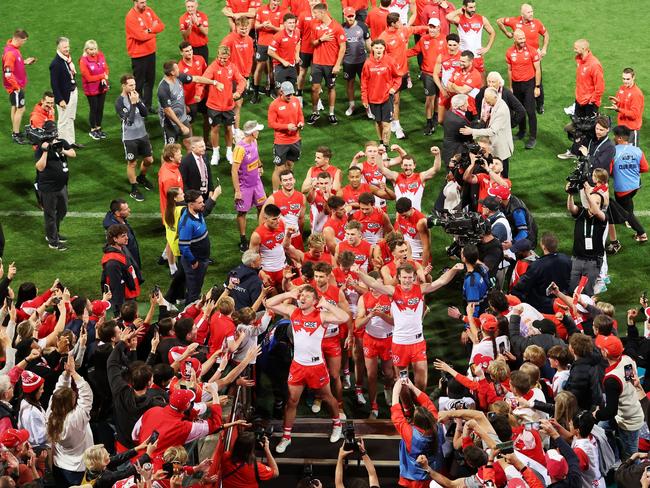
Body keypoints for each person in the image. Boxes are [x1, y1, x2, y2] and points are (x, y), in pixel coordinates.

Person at [265, 285, 350, 453]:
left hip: (316, 366)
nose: (302, 298)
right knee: (291, 401)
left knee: (327, 397)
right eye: (301, 295)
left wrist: (327, 304)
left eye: (307, 296)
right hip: (297, 365)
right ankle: (286, 437)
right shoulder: (292, 311)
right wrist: (289, 293)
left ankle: (337, 425)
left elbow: (344, 317)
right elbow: (269, 302)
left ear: (315, 301)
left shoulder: (322, 315)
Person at [357, 263, 463, 390]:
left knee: (422, 382)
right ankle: (407, 409)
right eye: (404, 277)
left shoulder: (421, 289)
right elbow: (373, 284)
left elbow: (441, 281)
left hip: (417, 342)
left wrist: (453, 269)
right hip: (399, 343)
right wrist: (358, 273)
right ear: (399, 278)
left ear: (413, 278)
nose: (407, 281)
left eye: (410, 277)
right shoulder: (392, 290)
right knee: (402, 382)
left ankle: (418, 406)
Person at [46, 354, 94, 486]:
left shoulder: (51, 412)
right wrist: (73, 372)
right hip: (77, 469)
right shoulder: (74, 419)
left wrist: (66, 374)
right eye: (73, 397)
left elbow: (59, 390)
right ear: (68, 403)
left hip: (59, 465)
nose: (75, 397)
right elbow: (86, 394)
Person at [378, 14, 427, 140]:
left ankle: (393, 121)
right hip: (392, 74)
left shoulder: (402, 30)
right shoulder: (383, 38)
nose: (401, 22)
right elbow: (378, 56)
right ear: (392, 23)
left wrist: (428, 28)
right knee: (395, 99)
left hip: (403, 72)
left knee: (396, 100)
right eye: (398, 21)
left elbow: (414, 29)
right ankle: (397, 125)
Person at [596, 335, 644, 461]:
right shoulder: (626, 359)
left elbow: (611, 411)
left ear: (605, 353)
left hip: (628, 420)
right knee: (601, 428)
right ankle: (614, 453)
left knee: (632, 457)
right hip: (628, 411)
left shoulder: (612, 379)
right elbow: (628, 380)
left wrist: (595, 415)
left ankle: (638, 478)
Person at [198, 46, 246, 165]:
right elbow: (202, 81)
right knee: (215, 128)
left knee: (229, 128)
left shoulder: (232, 67)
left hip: (228, 105)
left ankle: (229, 151)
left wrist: (238, 92)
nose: (222, 60)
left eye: (225, 58)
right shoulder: (213, 67)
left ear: (228, 57)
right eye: (220, 58)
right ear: (217, 56)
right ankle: (216, 153)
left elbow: (242, 80)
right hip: (214, 105)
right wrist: (198, 94)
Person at [496, 3, 549, 113]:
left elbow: (546, 34)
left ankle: (540, 104)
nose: (531, 14)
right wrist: (507, 33)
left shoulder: (537, 23)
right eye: (529, 12)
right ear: (522, 14)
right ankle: (520, 105)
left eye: (532, 11)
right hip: (520, 56)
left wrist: (544, 49)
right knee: (520, 81)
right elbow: (499, 21)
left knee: (538, 81)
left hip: (534, 57)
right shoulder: (514, 21)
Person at [557, 39, 604, 159]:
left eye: (576, 48)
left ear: (584, 49)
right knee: (578, 128)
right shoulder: (580, 60)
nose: (574, 50)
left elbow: (600, 87)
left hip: (589, 104)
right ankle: (575, 152)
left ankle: (592, 153)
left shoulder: (594, 64)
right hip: (580, 100)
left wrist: (591, 101)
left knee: (590, 129)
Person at [34, 120, 76, 251]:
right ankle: (53, 241)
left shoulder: (61, 142)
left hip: (61, 186)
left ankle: (54, 233)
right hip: (48, 189)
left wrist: (62, 150)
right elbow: (40, 167)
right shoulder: (41, 147)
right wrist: (46, 151)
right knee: (50, 215)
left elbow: (73, 154)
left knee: (62, 211)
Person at [157, 60, 215, 150]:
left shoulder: (179, 77)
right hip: (169, 123)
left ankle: (190, 162)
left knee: (190, 143)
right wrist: (181, 126)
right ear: (172, 72)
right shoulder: (163, 88)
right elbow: (167, 110)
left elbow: (196, 78)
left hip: (182, 117)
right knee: (169, 150)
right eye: (176, 68)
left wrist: (214, 82)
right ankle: (166, 164)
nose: (179, 69)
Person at [178, 188, 222, 303]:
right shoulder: (187, 223)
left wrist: (214, 196)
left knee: (196, 286)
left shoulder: (198, 212)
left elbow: (206, 208)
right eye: (200, 202)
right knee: (194, 290)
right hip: (195, 262)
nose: (203, 204)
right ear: (191, 204)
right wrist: (193, 261)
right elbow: (183, 247)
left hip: (202, 258)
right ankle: (190, 313)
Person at [115, 74, 154, 202]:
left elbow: (145, 113)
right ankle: (134, 188)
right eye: (130, 85)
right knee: (132, 163)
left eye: (134, 84)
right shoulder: (119, 102)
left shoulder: (135, 95)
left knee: (149, 160)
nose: (133, 87)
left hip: (142, 134)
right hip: (130, 137)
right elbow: (129, 121)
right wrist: (133, 104)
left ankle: (141, 177)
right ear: (124, 86)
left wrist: (138, 102)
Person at [511, 232, 571, 313]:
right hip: (563, 300)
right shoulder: (566, 259)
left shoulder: (537, 265)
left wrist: (512, 292)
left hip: (542, 305)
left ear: (543, 246)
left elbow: (523, 285)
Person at [307, 3, 347, 125]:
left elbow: (343, 47)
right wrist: (321, 39)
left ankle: (331, 113)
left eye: (316, 13)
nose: (314, 15)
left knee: (331, 87)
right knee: (314, 88)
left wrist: (337, 64)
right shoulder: (314, 24)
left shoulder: (337, 27)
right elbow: (312, 43)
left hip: (330, 64)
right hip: (317, 63)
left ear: (323, 13)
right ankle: (315, 112)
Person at [460, 88, 514, 176]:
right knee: (495, 169)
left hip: (500, 146)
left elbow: (492, 131)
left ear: (495, 97)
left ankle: (505, 187)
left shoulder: (501, 111)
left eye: (488, 100)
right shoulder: (497, 104)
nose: (486, 102)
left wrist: (472, 131)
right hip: (496, 143)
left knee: (501, 171)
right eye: (485, 99)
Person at [407, 18, 446, 135]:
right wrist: (398, 55)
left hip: (442, 74)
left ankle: (436, 116)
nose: (432, 29)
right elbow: (414, 51)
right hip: (428, 74)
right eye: (430, 27)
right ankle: (429, 123)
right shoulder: (424, 39)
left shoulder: (445, 40)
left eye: (434, 27)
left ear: (439, 27)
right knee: (429, 98)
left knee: (439, 98)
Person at [567, 182, 607, 296]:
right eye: (593, 201)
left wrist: (588, 194)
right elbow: (571, 208)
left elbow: (596, 210)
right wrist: (570, 194)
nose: (594, 204)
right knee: (572, 290)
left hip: (593, 261)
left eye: (598, 203)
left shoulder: (603, 218)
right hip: (577, 259)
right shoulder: (581, 212)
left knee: (588, 292)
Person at [232, 121, 267, 252]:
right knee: (242, 212)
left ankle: (261, 233)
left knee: (262, 207)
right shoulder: (240, 149)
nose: (258, 132)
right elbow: (234, 170)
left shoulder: (254, 142)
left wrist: (260, 165)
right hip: (244, 185)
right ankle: (243, 239)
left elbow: (256, 156)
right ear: (252, 132)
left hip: (256, 182)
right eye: (257, 130)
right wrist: (237, 191)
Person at [610, 124, 648, 243]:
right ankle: (628, 219)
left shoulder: (613, 151)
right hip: (635, 186)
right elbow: (645, 168)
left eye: (615, 136)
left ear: (620, 138)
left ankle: (642, 234)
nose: (614, 138)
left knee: (626, 213)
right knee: (627, 206)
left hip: (622, 188)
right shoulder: (637, 150)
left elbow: (609, 171)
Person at [125, 0, 165, 112]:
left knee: (150, 80)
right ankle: (138, 108)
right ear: (135, 2)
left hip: (151, 52)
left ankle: (147, 106)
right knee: (138, 84)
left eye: (145, 1)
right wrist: (153, 31)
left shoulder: (148, 10)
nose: (145, 4)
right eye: (142, 2)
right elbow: (140, 36)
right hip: (138, 55)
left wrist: (149, 30)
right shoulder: (131, 17)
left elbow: (161, 26)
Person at [360, 39, 401, 146]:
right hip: (373, 99)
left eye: (381, 48)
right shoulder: (368, 64)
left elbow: (398, 76)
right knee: (378, 122)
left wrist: (394, 88)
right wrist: (364, 98)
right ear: (372, 48)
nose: (379, 50)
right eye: (376, 48)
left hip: (387, 98)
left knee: (386, 124)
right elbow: (364, 82)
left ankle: (385, 146)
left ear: (384, 49)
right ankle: (381, 143)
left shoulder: (390, 61)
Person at [505, 29, 540, 150]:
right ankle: (521, 132)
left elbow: (538, 69)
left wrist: (537, 86)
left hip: (529, 84)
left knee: (530, 111)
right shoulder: (509, 52)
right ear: (514, 39)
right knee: (519, 110)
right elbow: (509, 70)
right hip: (516, 84)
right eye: (520, 39)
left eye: (524, 38)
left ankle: (533, 137)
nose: (523, 41)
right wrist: (510, 86)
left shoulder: (532, 51)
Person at [268, 81, 304, 190]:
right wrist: (286, 127)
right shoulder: (274, 105)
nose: (290, 96)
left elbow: (300, 116)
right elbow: (271, 123)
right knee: (279, 169)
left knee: (290, 165)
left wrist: (301, 123)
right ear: (281, 92)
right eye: (287, 94)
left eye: (291, 94)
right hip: (281, 142)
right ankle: (275, 192)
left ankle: (286, 187)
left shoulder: (296, 101)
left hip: (295, 140)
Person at [377, 150, 441, 211]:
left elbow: (435, 169)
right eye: (405, 165)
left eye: (410, 165)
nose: (408, 168)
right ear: (401, 165)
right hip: (400, 219)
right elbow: (381, 169)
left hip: (416, 218)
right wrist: (379, 154)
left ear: (414, 166)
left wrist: (437, 155)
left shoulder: (421, 177)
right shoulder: (396, 177)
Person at [3, 29, 36, 144]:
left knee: (15, 107)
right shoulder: (10, 53)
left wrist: (24, 62)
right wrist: (16, 87)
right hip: (15, 87)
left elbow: (14, 65)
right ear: (18, 39)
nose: (24, 43)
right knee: (21, 109)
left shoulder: (14, 49)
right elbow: (8, 73)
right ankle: (16, 134)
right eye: (24, 41)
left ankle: (15, 131)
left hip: (15, 86)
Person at [446, 0, 495, 77]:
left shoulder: (481, 19)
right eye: (471, 7)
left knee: (481, 78)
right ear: (464, 7)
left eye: (474, 7)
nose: (473, 9)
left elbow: (492, 32)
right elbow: (448, 17)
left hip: (477, 56)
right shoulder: (459, 19)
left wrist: (487, 48)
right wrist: (459, 11)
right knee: (464, 78)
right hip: (463, 56)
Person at [101, 224, 142, 313]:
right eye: (123, 236)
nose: (127, 238)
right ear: (115, 239)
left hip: (130, 290)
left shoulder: (122, 248)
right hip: (125, 298)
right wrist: (120, 309)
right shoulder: (112, 262)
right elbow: (115, 287)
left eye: (126, 235)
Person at [262, 169, 306, 250]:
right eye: (285, 180)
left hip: (296, 236)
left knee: (299, 261)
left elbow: (301, 219)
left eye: (290, 179)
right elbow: (262, 219)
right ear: (280, 183)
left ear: (294, 180)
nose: (288, 182)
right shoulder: (273, 198)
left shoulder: (301, 197)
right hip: (280, 238)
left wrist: (300, 234)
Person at [250, 0, 285, 104]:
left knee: (274, 68)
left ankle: (272, 89)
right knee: (259, 67)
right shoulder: (261, 10)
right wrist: (263, 25)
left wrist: (272, 27)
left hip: (276, 44)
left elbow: (282, 29)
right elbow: (255, 26)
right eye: (274, 0)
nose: (276, 3)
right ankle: (255, 93)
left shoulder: (283, 11)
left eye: (278, 1)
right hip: (262, 43)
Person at [50, 37, 80, 148]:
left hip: (72, 92)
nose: (67, 49)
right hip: (64, 96)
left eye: (68, 46)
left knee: (71, 118)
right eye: (65, 47)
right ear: (59, 47)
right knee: (63, 121)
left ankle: (71, 142)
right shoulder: (56, 63)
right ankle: (63, 145)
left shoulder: (67, 59)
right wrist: (59, 99)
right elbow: (54, 84)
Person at [250, 204, 288, 291]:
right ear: (266, 218)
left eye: (278, 217)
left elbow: (283, 245)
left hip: (282, 267)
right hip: (267, 271)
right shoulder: (257, 235)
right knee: (270, 298)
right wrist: (260, 271)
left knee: (284, 294)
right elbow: (252, 256)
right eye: (274, 219)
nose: (277, 221)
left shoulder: (282, 224)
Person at [177, 42, 209, 144]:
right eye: (186, 51)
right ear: (181, 52)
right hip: (189, 100)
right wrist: (184, 104)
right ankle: (192, 146)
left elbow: (206, 75)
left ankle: (206, 140)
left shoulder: (200, 59)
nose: (190, 53)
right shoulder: (179, 69)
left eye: (191, 50)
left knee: (207, 117)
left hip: (203, 96)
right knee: (189, 123)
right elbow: (178, 89)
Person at [341, 7, 370, 117]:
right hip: (348, 62)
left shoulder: (362, 26)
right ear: (344, 16)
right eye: (348, 16)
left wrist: (371, 57)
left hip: (362, 61)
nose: (350, 18)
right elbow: (340, 47)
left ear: (355, 15)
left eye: (352, 16)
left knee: (366, 84)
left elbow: (368, 42)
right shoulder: (341, 28)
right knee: (350, 84)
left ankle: (368, 107)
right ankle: (352, 105)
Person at [79, 40, 109, 141]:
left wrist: (104, 77)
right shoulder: (83, 60)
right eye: (91, 49)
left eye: (95, 49)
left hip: (102, 87)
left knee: (100, 108)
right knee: (94, 108)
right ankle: (93, 129)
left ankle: (99, 128)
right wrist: (102, 76)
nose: (94, 51)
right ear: (86, 49)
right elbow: (88, 78)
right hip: (91, 89)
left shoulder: (100, 55)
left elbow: (106, 68)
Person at [606, 67, 645, 147]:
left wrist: (618, 109)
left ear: (633, 78)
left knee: (631, 156)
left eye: (628, 79)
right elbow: (622, 103)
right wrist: (616, 102)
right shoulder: (622, 88)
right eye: (623, 79)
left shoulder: (636, 94)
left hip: (631, 130)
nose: (625, 81)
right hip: (621, 127)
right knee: (618, 152)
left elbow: (634, 114)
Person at [102, 199, 142, 271]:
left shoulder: (118, 219)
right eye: (126, 209)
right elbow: (122, 247)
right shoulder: (115, 229)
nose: (129, 210)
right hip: (127, 259)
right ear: (117, 213)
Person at [268, 13, 301, 93]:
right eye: (290, 23)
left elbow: (298, 42)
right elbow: (270, 51)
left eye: (293, 22)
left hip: (292, 66)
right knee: (281, 91)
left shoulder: (297, 33)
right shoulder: (278, 36)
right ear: (285, 24)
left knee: (291, 90)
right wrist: (282, 61)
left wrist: (297, 55)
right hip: (280, 67)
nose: (292, 25)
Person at [445, 49, 482, 117]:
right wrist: (458, 89)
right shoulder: (458, 70)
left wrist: (453, 85)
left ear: (471, 61)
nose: (460, 63)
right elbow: (448, 87)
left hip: (469, 109)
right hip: (456, 105)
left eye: (463, 61)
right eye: (460, 61)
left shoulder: (475, 74)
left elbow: (462, 91)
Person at [394, 197, 430, 264]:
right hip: (405, 253)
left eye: (404, 215)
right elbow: (398, 233)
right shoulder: (399, 214)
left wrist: (424, 266)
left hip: (418, 256)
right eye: (401, 215)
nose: (403, 218)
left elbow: (426, 246)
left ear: (410, 208)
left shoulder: (420, 222)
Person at [180, 136, 213, 202]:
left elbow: (209, 174)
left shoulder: (205, 156)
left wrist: (211, 190)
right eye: (201, 147)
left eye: (204, 146)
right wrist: (190, 196)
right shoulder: (185, 162)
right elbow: (183, 182)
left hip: (206, 195)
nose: (204, 148)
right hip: (194, 198)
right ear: (193, 148)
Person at [441, 93, 472, 163]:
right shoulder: (460, 121)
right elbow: (469, 136)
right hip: (456, 151)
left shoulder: (449, 112)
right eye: (466, 103)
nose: (468, 105)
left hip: (448, 148)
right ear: (460, 107)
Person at [158, 143, 184, 220]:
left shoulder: (168, 166)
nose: (181, 155)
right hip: (174, 215)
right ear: (171, 158)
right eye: (179, 154)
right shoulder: (169, 178)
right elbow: (173, 200)